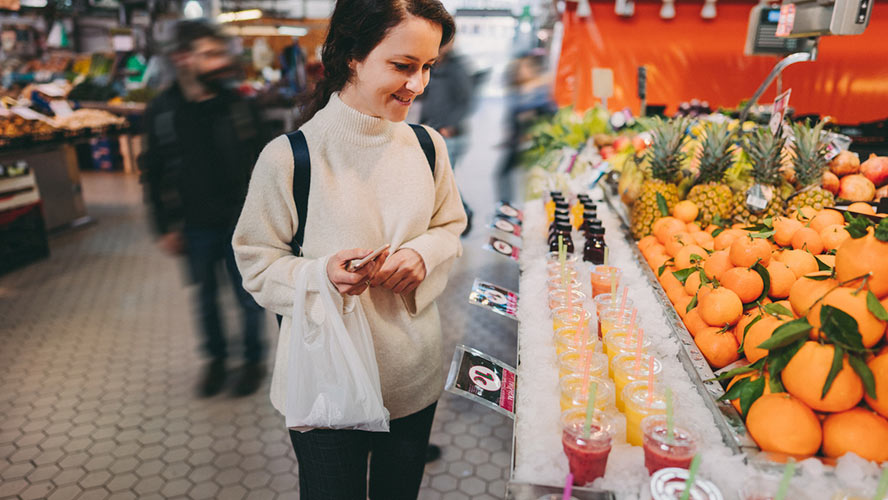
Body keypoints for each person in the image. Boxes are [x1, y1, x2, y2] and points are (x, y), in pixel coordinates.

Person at [231, 0, 466, 498]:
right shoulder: (290, 158)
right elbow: (256, 262)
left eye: (427, 67)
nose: (418, 85)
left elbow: (450, 226)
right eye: (402, 66)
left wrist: (422, 254)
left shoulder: (428, 146)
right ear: (352, 57)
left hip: (411, 375)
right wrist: (320, 276)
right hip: (325, 380)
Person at [140, 20, 267, 398]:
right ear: (183, 58)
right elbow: (152, 173)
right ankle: (215, 362)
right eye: (209, 54)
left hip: (240, 224)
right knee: (206, 299)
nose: (220, 62)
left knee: (247, 298)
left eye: (221, 53)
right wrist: (162, 226)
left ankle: (251, 363)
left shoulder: (240, 105)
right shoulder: (162, 111)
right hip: (194, 227)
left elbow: (265, 165)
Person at [418, 38, 475, 234]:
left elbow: (467, 102)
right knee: (440, 178)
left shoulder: (457, 69)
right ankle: (455, 217)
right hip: (432, 130)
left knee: (443, 178)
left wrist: (450, 125)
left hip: (452, 135)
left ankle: (463, 216)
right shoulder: (431, 67)